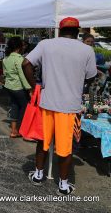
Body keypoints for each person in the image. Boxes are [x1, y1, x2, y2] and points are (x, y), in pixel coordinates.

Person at [23, 17, 96, 195]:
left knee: (43, 142)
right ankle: (63, 184)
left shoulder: (46, 44)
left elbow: (26, 64)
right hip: (70, 106)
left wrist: (35, 86)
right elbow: (91, 76)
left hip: (47, 102)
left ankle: (39, 175)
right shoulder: (87, 49)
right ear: (77, 31)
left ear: (60, 30)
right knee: (65, 148)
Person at [3, 37, 31, 138]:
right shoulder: (19, 59)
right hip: (19, 87)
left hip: (9, 87)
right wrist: (29, 88)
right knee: (24, 108)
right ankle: (21, 130)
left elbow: (4, 73)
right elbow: (22, 76)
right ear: (19, 47)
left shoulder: (6, 58)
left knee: (14, 106)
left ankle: (13, 130)